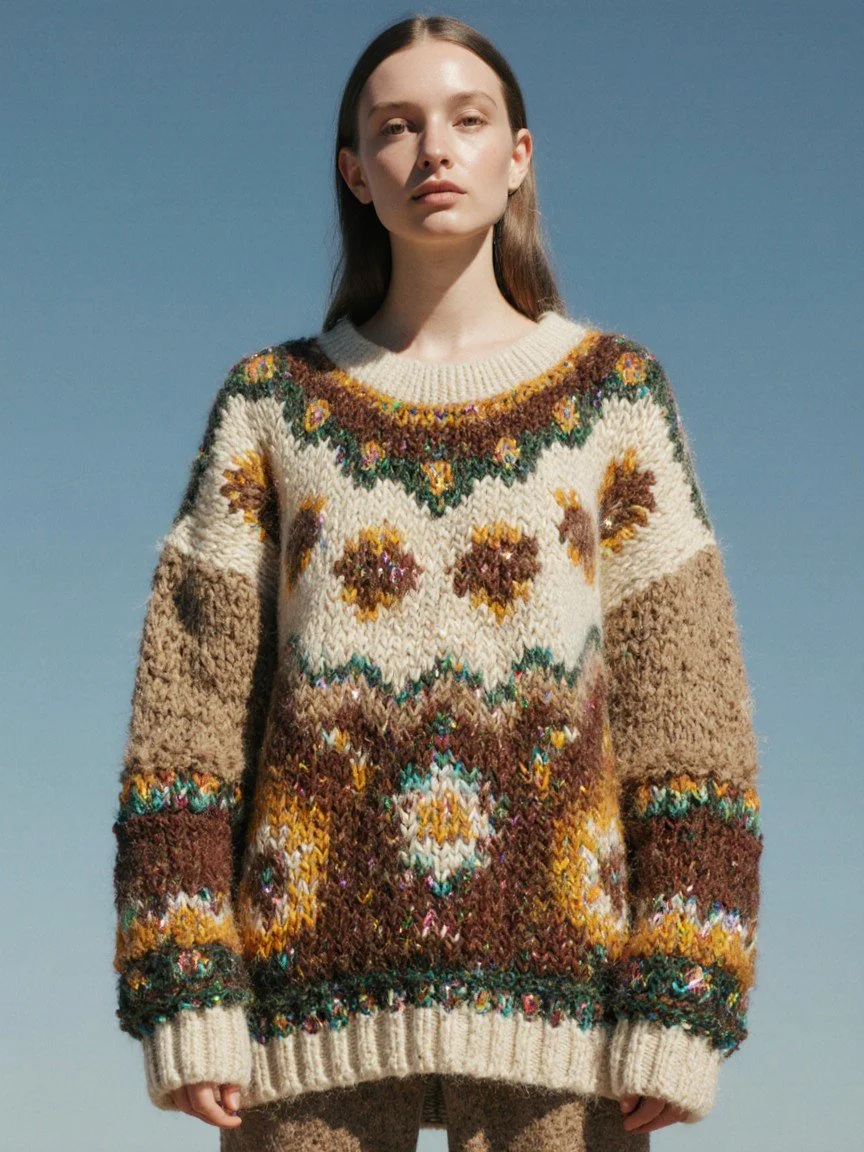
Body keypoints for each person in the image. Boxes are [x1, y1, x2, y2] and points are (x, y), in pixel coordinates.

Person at [111, 13, 763, 1152]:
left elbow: (691, 713)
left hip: (568, 1018)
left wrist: (683, 992)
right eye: (398, 127)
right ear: (355, 172)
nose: (435, 151)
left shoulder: (614, 400)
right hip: (299, 1017)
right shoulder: (271, 406)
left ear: (519, 155)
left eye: (469, 120)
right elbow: (189, 711)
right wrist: (186, 987)